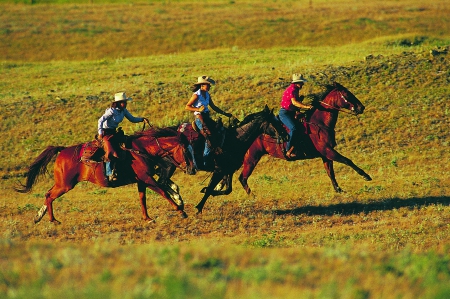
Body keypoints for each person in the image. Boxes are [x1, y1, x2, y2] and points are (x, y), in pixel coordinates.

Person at [98, 92, 149, 181]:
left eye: (125, 102)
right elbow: (100, 120)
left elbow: (132, 119)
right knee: (110, 150)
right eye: (123, 102)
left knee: (129, 143)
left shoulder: (123, 111)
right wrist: (100, 132)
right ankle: (109, 173)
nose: (125, 104)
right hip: (106, 132)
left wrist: (142, 119)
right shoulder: (111, 111)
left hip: (114, 132)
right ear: (118, 103)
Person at [185, 75, 233, 169]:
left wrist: (225, 113)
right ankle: (206, 161)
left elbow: (213, 107)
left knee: (220, 131)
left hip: (207, 117)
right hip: (200, 118)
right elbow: (187, 106)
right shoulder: (196, 95)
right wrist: (198, 109)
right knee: (209, 137)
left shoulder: (207, 94)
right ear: (202, 85)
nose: (210, 86)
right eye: (208, 85)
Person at [278, 73, 313, 159]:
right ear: (297, 82)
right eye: (301, 82)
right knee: (293, 128)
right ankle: (288, 150)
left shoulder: (295, 89)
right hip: (285, 113)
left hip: (291, 112)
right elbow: (294, 102)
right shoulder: (293, 89)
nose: (303, 84)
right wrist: (306, 106)